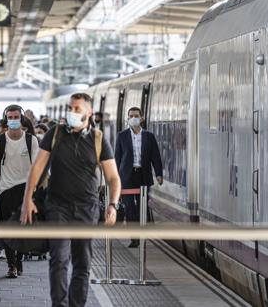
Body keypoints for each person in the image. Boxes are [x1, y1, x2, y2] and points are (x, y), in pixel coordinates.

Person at [20, 93, 121, 307]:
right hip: (58, 206)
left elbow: (113, 177)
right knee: (58, 259)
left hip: (87, 208)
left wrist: (113, 204)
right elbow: (36, 168)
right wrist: (27, 200)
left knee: (82, 263)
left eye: (77, 108)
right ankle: (59, 304)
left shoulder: (99, 139)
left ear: (89, 112)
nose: (72, 112)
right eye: (70, 108)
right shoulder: (54, 134)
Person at [0, 105, 39, 278]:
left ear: (21, 119)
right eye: (11, 117)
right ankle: (11, 265)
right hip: (5, 190)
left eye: (17, 117)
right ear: (6, 119)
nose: (14, 120)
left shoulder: (31, 141)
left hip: (26, 190)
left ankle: (19, 259)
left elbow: (38, 167)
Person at [114, 107, 164, 248]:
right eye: (131, 116)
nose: (133, 118)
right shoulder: (121, 136)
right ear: (127, 118)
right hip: (127, 177)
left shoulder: (149, 136)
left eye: (136, 116)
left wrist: (159, 174)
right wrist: (114, 178)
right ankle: (134, 238)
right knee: (130, 207)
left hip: (143, 175)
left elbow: (156, 156)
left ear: (142, 118)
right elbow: (117, 158)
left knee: (142, 206)